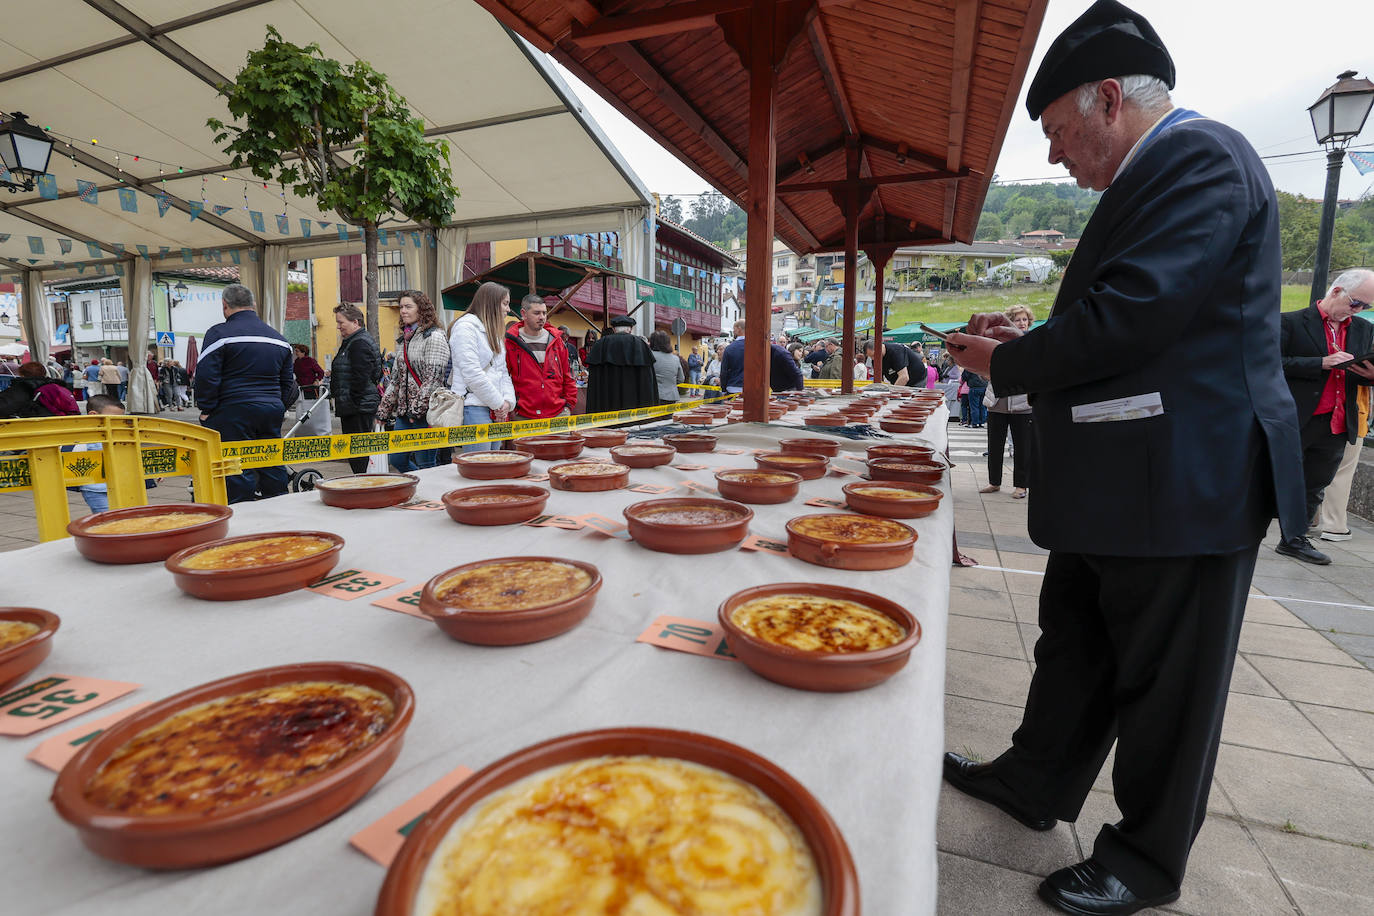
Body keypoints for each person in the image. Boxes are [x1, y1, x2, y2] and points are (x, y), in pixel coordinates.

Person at [938, 3, 1306, 913]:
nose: (1057, 159)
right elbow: (1135, 318)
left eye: (1061, 134)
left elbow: (1137, 315)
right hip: (1122, 475)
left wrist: (1010, 362)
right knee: (1078, 643)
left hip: (1186, 477)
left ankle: (1144, 861)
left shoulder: (1200, 158)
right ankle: (1034, 781)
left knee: (1168, 686)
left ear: (1110, 99)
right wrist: (1032, 332)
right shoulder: (1159, 176)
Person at [1278, 268, 1374, 561]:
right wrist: (1320, 363)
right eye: (1356, 303)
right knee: (1269, 476)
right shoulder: (1291, 322)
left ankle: (1294, 539)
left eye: (1366, 307)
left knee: (1316, 483)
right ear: (1335, 291)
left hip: (1337, 419)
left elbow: (1362, 371)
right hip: (1295, 416)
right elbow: (1271, 363)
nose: (1357, 311)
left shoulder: (1362, 329)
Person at [195, 283, 298, 503]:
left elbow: (206, 376)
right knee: (271, 460)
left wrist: (207, 408)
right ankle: (281, 509)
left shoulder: (219, 334)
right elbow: (288, 383)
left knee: (237, 466)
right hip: (271, 409)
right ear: (253, 305)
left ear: (225, 306)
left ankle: (242, 518)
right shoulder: (279, 338)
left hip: (233, 409)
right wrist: (276, 404)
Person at [375, 291, 450, 472]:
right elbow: (395, 380)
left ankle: (428, 496)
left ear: (421, 309)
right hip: (404, 414)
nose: (403, 311)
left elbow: (433, 380)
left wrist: (415, 411)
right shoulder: (405, 339)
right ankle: (418, 484)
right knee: (396, 459)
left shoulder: (434, 337)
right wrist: (383, 413)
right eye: (401, 307)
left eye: (408, 307)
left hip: (427, 414)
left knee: (426, 463)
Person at [449, 281, 515, 453]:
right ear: (492, 303)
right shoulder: (465, 328)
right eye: (505, 303)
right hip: (474, 407)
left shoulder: (495, 332)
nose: (508, 309)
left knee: (494, 464)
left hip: (495, 409)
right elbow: (472, 373)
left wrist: (507, 402)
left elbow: (503, 372)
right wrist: (500, 404)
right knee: (479, 466)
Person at [982, 307, 1037, 499]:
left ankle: (1021, 486)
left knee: (1023, 446)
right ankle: (994, 482)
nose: (1021, 323)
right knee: (994, 445)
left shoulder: (1034, 342)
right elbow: (985, 366)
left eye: (1024, 319)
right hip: (997, 400)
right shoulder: (998, 343)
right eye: (1017, 319)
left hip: (1022, 403)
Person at [506, 294, 578, 421]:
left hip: (558, 414)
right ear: (524, 313)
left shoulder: (557, 341)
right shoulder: (511, 343)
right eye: (537, 313)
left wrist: (568, 406)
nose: (542, 317)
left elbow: (568, 376)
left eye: (544, 313)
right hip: (524, 416)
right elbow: (503, 378)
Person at [330, 304, 382, 473]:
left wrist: (351, 401)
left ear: (355, 322)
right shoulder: (353, 341)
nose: (338, 327)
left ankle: (363, 487)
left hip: (358, 408)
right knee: (357, 454)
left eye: (341, 322)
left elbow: (361, 376)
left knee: (359, 455)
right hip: (356, 406)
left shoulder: (359, 343)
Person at [1315, 385, 1369, 542]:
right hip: (1351, 413)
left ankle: (1308, 517)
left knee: (1315, 466)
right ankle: (1334, 525)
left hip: (1321, 408)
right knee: (1342, 472)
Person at [584, 316, 657, 412]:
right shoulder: (640, 345)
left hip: (606, 411)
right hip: (634, 412)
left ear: (614, 329)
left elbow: (594, 384)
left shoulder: (601, 345)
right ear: (630, 329)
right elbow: (648, 382)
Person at [718, 320, 804, 393]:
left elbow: (724, 372)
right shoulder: (758, 349)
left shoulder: (730, 349)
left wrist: (724, 390)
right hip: (760, 389)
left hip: (734, 388)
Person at [0, 361, 79, 418]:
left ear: (22, 375)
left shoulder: (24, 387)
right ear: (44, 373)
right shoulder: (57, 386)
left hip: (35, 429)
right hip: (65, 424)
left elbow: (4, 408)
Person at [648, 330, 685, 404]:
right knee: (668, 416)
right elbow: (681, 379)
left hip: (653, 396)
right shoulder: (675, 359)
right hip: (671, 396)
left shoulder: (649, 355)